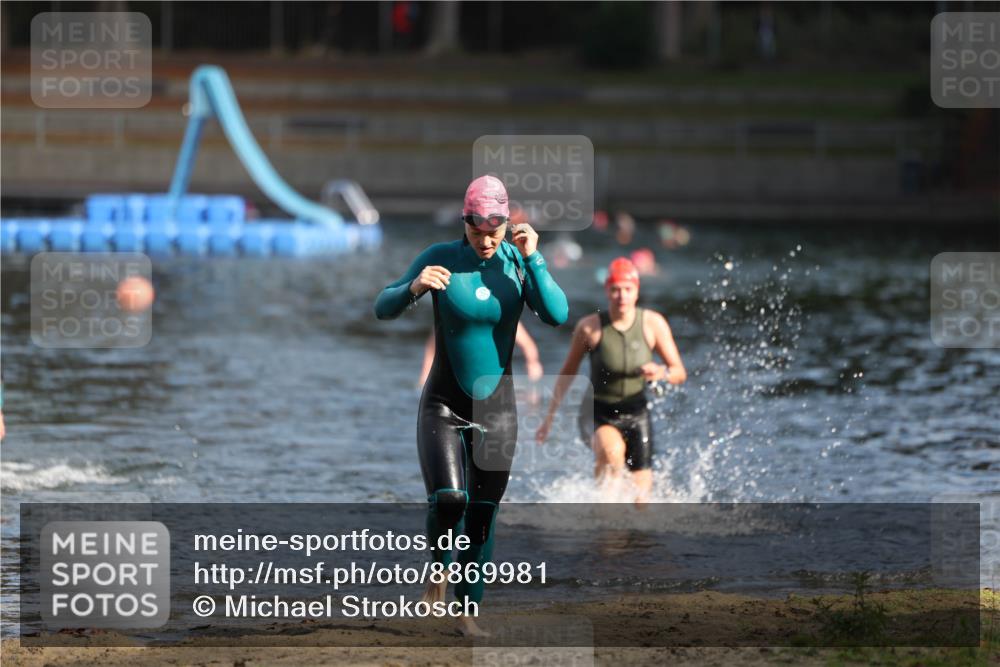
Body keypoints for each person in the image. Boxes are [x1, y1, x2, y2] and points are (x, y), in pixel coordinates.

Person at [374, 175, 568, 634]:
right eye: (476, 230)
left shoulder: (517, 262)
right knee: (450, 499)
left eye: (494, 231)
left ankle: (467, 614)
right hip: (443, 402)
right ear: (464, 222)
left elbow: (557, 315)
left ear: (507, 224)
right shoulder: (440, 257)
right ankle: (439, 570)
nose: (485, 240)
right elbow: (383, 307)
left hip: (497, 410)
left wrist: (533, 258)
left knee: (482, 514)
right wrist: (414, 287)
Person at [536, 257, 686, 504]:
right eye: (615, 289)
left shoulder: (653, 324)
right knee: (612, 454)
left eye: (627, 289)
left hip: (637, 414)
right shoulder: (589, 328)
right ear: (607, 290)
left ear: (637, 290)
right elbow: (568, 372)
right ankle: (603, 517)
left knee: (641, 502)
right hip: (599, 412)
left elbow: (679, 372)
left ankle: (616, 518)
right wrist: (549, 417)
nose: (622, 296)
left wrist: (661, 372)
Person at [417, 322, 543, 389]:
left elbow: (528, 346)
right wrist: (424, 377)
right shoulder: (449, 315)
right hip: (460, 379)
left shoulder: (501, 316)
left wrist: (533, 367)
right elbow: (432, 348)